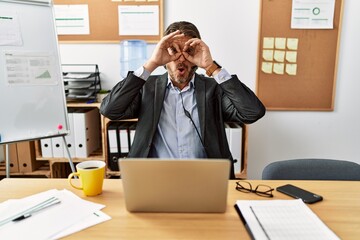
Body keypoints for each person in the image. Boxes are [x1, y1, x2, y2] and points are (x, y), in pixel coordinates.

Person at [100, 21, 265, 179]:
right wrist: (152, 63)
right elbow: (110, 110)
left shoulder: (213, 89)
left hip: (206, 179)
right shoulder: (146, 87)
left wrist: (211, 67)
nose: (181, 59)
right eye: (173, 50)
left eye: (188, 51)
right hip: (153, 179)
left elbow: (252, 112)